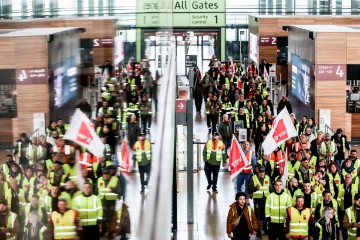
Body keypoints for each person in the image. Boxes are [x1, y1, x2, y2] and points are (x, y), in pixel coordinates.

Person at [248, 165, 272, 237]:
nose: (262, 173)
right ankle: (258, 230)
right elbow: (250, 189)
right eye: (260, 172)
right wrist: (256, 188)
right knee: (257, 216)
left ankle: (264, 228)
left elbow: (270, 188)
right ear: (258, 172)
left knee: (265, 215)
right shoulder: (253, 178)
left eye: (263, 172)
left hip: (266, 199)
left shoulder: (267, 178)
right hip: (257, 200)